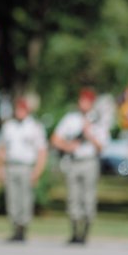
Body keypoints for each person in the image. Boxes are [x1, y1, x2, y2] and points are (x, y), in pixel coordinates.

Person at [50, 88, 109, 245]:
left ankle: (85, 231)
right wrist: (68, 146)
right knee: (73, 198)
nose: (84, 103)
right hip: (73, 162)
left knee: (88, 198)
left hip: (89, 162)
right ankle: (75, 231)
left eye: (87, 101)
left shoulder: (97, 121)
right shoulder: (71, 119)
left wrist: (89, 135)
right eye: (82, 100)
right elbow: (55, 139)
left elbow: (102, 147)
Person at [0, 97, 47, 243]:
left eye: (22, 109)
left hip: (26, 167)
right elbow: (2, 148)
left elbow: (42, 151)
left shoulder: (34, 126)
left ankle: (23, 228)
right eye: (18, 109)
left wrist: (38, 170)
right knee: (12, 199)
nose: (20, 112)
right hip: (11, 166)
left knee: (25, 199)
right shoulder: (9, 126)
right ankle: (15, 227)